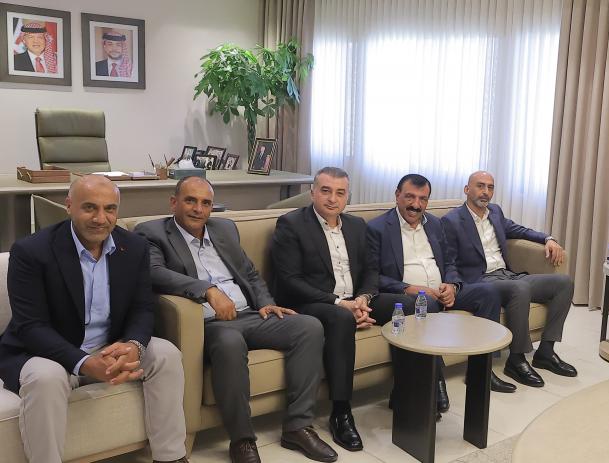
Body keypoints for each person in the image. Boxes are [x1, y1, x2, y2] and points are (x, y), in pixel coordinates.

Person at [135, 176, 336, 463]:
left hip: (250, 314)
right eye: (190, 201)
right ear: (174, 202)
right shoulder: (152, 232)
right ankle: (242, 440)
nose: (198, 209)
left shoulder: (225, 229)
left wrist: (266, 303)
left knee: (309, 327)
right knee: (230, 342)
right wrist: (208, 290)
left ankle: (298, 426)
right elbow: (154, 272)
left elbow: (249, 273)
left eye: (206, 203)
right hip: (209, 324)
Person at [0, 175, 188, 463]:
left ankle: (171, 457)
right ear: (69, 206)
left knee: (166, 354)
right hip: (44, 351)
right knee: (46, 379)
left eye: (110, 209)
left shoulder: (134, 247)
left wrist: (134, 345)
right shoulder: (31, 251)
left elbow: (142, 308)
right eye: (90, 208)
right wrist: (85, 363)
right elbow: (31, 327)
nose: (101, 218)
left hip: (108, 345)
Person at [272, 167, 420, 451]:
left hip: (355, 298)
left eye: (340, 193)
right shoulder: (291, 224)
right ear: (312, 192)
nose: (332, 199)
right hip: (314, 303)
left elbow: (371, 270)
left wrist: (363, 298)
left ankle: (406, 390)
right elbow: (290, 281)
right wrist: (341, 303)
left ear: (347, 196)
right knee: (341, 318)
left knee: (407, 306)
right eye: (326, 191)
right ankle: (341, 412)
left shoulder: (356, 225)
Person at [366, 173, 511, 405]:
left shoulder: (434, 223)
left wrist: (452, 284)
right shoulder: (377, 228)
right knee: (426, 304)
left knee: (488, 293)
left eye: (423, 199)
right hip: (407, 295)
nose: (416, 205)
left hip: (440, 291)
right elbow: (372, 275)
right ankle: (437, 381)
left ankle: (481, 372)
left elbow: (450, 262)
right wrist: (407, 287)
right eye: (410, 197)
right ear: (397, 195)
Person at [441, 171, 577, 388]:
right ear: (467, 189)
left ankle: (546, 352)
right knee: (519, 288)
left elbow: (520, 230)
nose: (485, 192)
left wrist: (548, 239)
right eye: (480, 186)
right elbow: (448, 260)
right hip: (481, 281)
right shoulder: (452, 221)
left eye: (490, 187)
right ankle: (517, 359)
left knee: (564, 283)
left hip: (507, 275)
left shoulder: (495, 212)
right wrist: (455, 286)